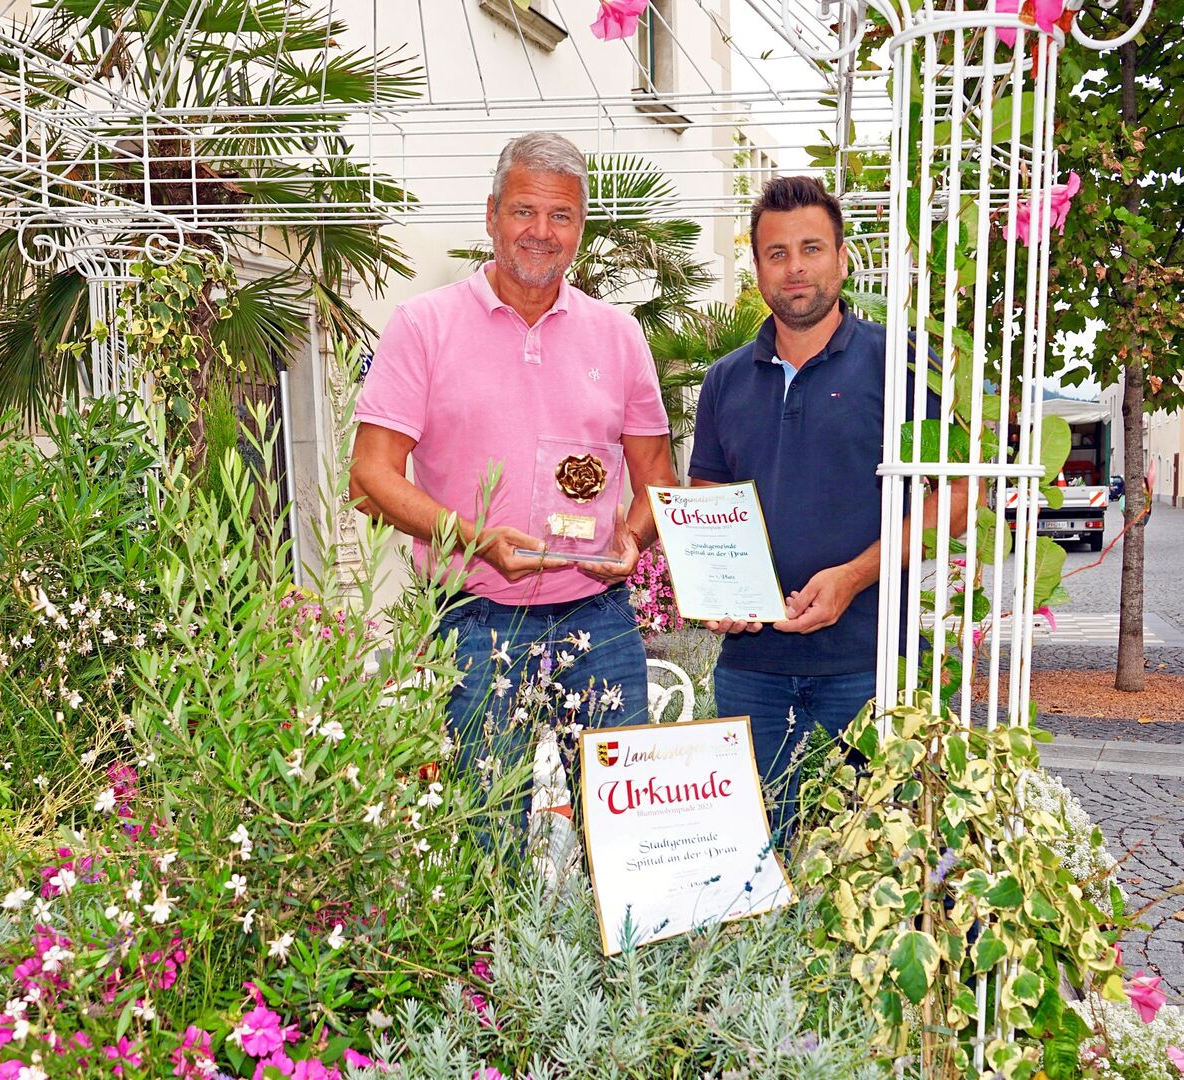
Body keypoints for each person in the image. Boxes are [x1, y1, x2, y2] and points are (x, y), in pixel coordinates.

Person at [350, 131, 678, 823]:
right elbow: (369, 477)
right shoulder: (422, 326)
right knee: (482, 832)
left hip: (598, 617)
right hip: (473, 615)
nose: (541, 232)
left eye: (561, 216)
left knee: (627, 834)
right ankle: (493, 936)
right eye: (525, 211)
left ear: (580, 228)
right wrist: (472, 538)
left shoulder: (619, 336)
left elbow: (656, 483)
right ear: (492, 213)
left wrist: (633, 540)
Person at [689, 175, 965, 808]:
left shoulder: (902, 363)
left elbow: (956, 496)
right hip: (750, 671)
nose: (795, 269)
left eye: (812, 249)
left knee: (878, 863)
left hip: (870, 666)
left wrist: (855, 576)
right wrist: (717, 591)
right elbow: (708, 503)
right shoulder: (725, 380)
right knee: (757, 865)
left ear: (842, 258)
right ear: (756, 265)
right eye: (777, 253)